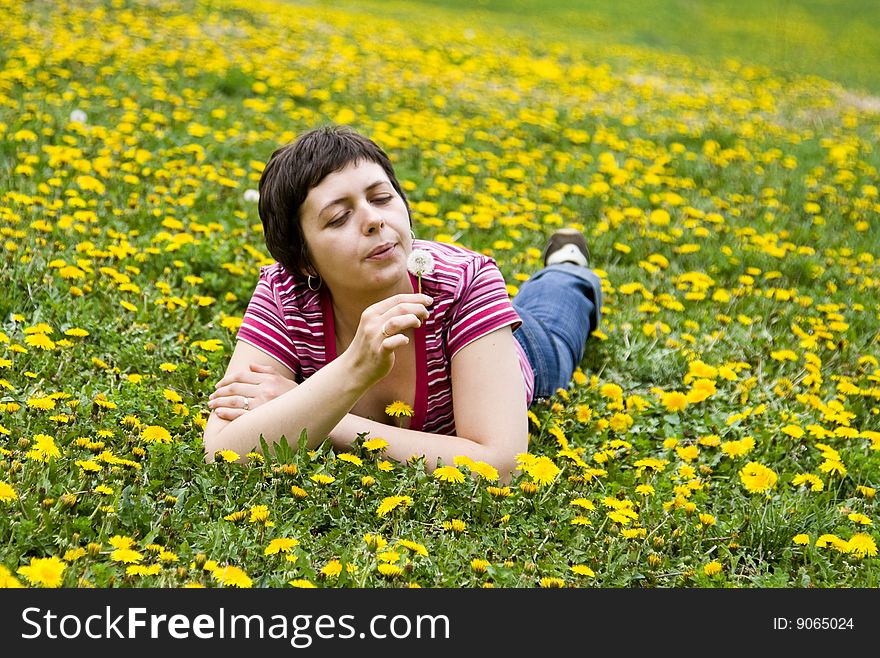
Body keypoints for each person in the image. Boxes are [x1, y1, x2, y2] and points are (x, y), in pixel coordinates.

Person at [203, 125, 602, 480]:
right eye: (339, 218)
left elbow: (500, 464)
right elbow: (223, 450)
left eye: (381, 198)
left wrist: (317, 415)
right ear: (303, 258)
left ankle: (566, 266)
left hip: (519, 352)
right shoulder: (284, 292)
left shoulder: (467, 281)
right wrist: (353, 371)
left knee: (558, 314)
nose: (374, 220)